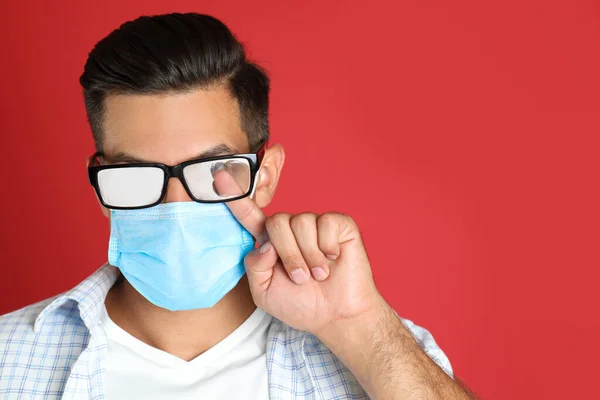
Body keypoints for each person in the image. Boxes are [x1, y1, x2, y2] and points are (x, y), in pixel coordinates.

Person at [0, 12, 475, 399]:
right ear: (101, 187)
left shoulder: (372, 347)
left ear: (264, 176)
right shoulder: (9, 357)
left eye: (211, 171)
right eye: (137, 173)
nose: (176, 205)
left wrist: (359, 326)